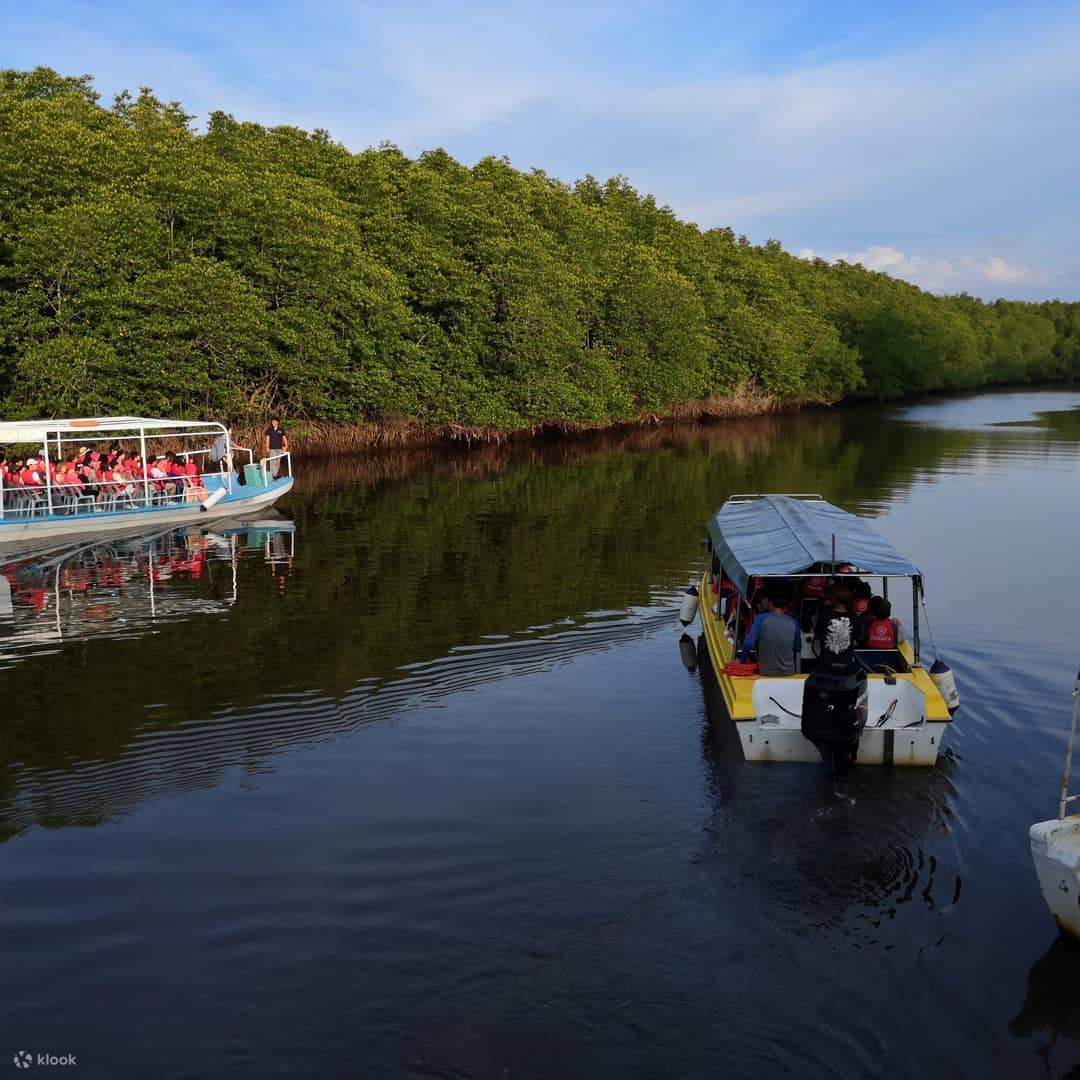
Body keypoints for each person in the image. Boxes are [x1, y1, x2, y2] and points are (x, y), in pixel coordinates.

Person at [739, 586, 802, 676]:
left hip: (766, 673)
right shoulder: (793, 622)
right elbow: (798, 648)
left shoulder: (760, 619)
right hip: (788, 673)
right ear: (785, 606)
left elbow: (748, 643)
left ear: (770, 603)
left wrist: (742, 661)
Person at [812, 581, 863, 671]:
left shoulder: (823, 615)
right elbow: (857, 638)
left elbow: (817, 635)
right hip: (846, 664)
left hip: (826, 664)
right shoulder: (855, 618)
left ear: (833, 598)